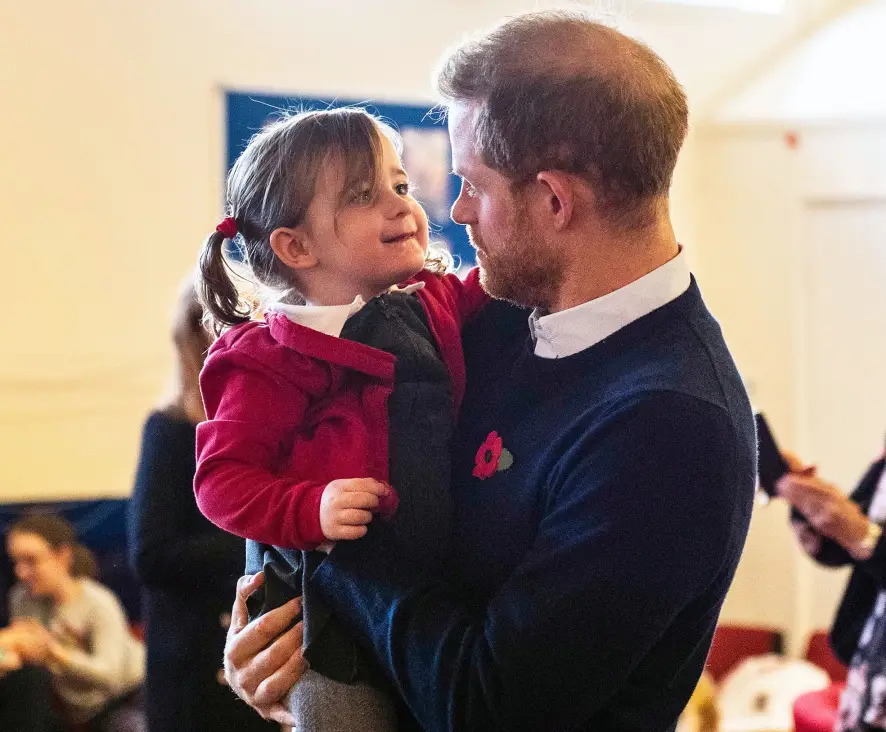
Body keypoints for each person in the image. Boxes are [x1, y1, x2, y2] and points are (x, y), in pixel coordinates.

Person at [220, 10, 757, 732]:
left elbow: (485, 706)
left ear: (554, 200)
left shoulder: (672, 423)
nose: (457, 210)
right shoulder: (486, 320)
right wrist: (279, 647)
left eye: (470, 183)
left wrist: (325, 565)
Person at [193, 107, 486, 731]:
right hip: (321, 611)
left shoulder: (433, 301)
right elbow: (222, 482)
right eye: (363, 195)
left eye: (401, 186)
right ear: (296, 247)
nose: (402, 205)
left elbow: (504, 283)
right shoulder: (269, 357)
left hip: (421, 594)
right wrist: (310, 506)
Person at [126, 281, 277, 732]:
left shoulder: (271, 425)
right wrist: (264, 539)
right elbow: (151, 554)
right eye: (210, 327)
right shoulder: (171, 429)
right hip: (193, 659)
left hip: (261, 649)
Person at [777, 417, 886, 731]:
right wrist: (808, 500)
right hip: (872, 684)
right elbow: (850, 543)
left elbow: (867, 540)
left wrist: (867, 539)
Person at [3, 514, 145, 731]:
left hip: (127, 698)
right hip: (73, 706)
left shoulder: (98, 602)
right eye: (16, 562)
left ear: (63, 556)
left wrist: (55, 654)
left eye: (31, 561)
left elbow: (111, 677)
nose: (21, 572)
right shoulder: (21, 598)